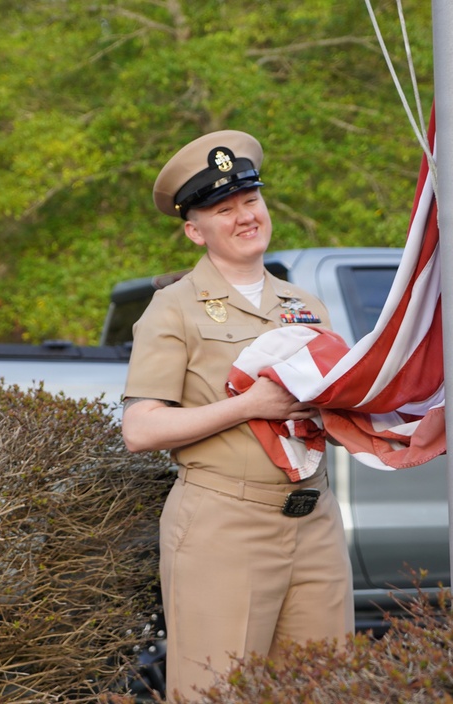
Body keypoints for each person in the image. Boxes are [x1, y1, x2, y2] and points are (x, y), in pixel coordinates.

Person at [121, 130, 354, 702]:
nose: (245, 216)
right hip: (224, 524)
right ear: (195, 230)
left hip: (315, 518)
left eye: (251, 201)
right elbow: (140, 428)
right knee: (217, 692)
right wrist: (249, 406)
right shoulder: (171, 308)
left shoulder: (306, 306)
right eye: (224, 210)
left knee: (326, 689)